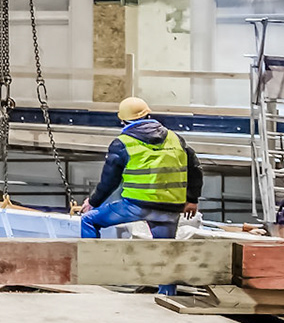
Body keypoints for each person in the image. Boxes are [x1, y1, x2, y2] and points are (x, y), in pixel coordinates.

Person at [79, 96, 202, 242]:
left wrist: (93, 202)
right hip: (170, 208)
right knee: (164, 250)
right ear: (148, 115)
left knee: (89, 220)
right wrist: (192, 200)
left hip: (135, 206)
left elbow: (110, 180)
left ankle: (92, 262)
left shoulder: (123, 143)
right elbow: (195, 169)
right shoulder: (176, 138)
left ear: (122, 120)